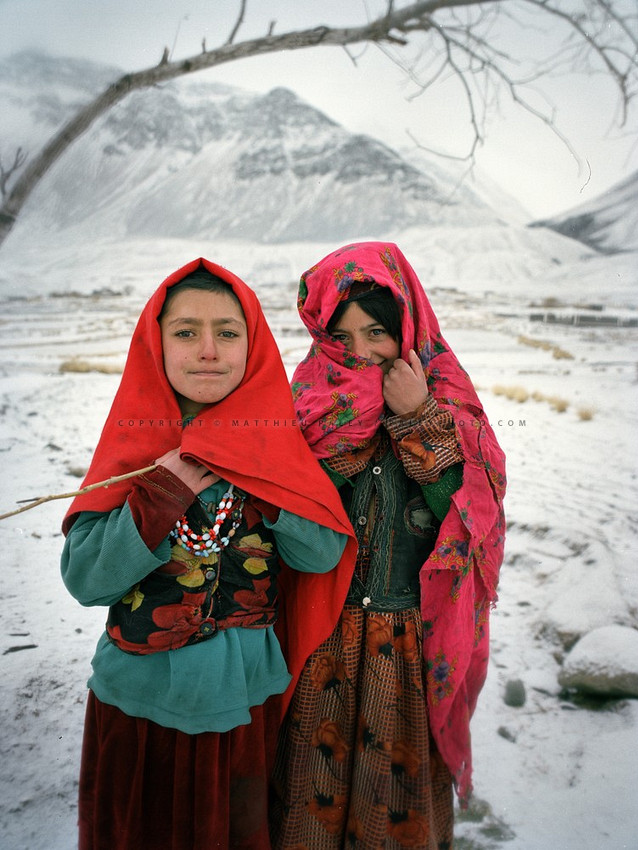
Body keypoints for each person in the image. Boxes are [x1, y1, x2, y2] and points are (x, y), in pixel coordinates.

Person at [60, 258, 357, 850]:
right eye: (185, 331)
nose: (207, 350)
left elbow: (321, 556)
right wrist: (162, 494)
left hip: (243, 704)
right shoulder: (137, 440)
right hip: (139, 703)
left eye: (227, 331)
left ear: (253, 347)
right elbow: (87, 579)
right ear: (156, 343)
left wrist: (260, 471)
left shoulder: (277, 444)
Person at [270, 242, 506, 849]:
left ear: (405, 326)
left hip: (406, 648)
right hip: (323, 638)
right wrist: (345, 442)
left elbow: (470, 518)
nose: (360, 352)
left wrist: (418, 418)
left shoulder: (446, 401)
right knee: (307, 804)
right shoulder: (306, 405)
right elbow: (290, 511)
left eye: (376, 331)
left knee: (393, 810)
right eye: (341, 335)